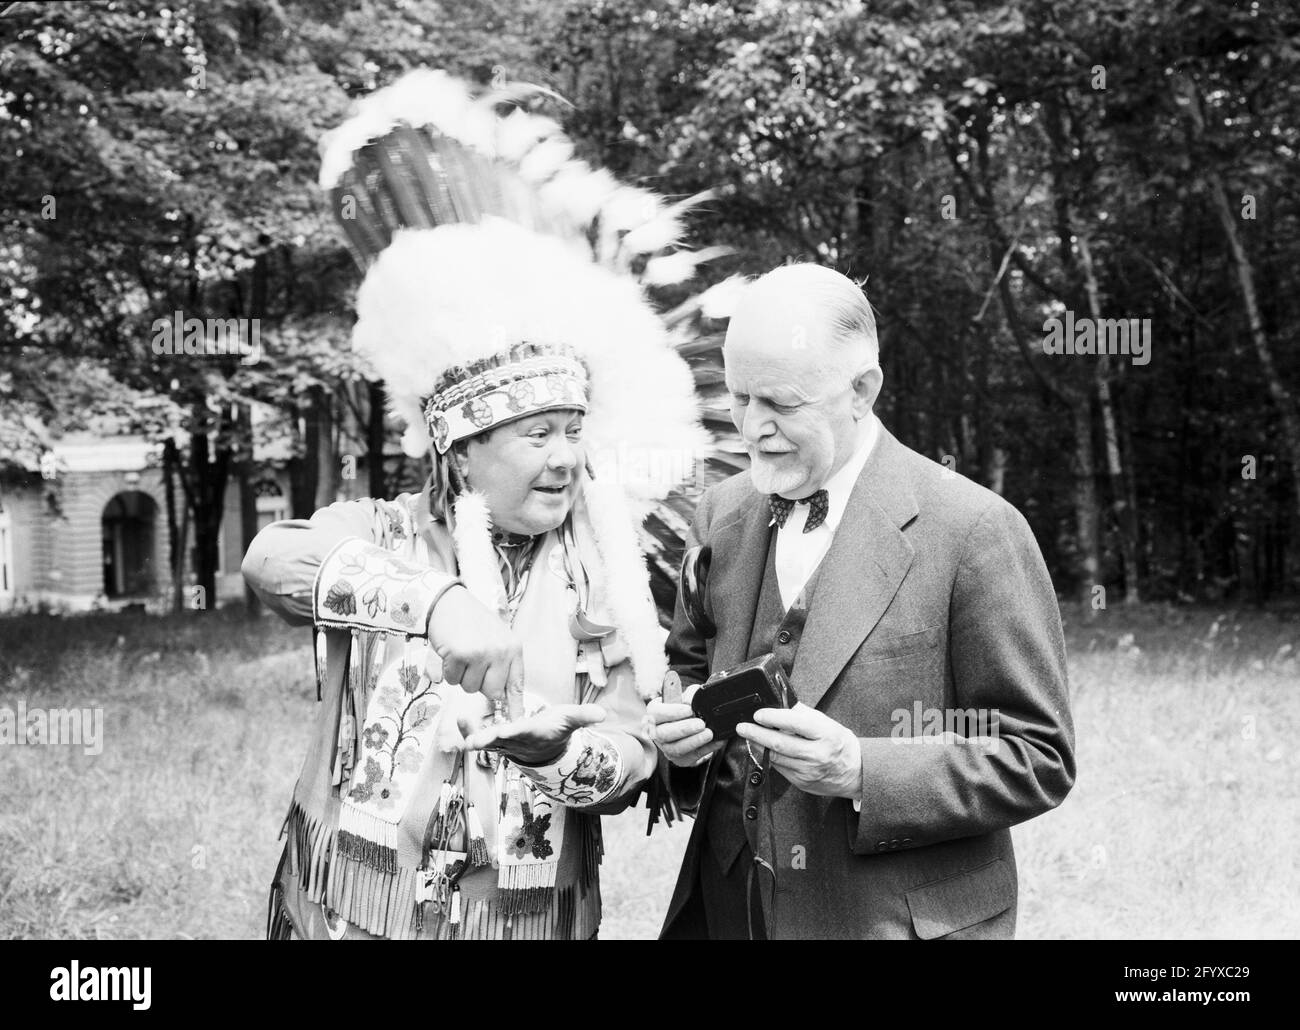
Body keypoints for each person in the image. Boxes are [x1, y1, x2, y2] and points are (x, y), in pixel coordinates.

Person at [242, 70, 705, 940]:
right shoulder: (377, 533)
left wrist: (562, 754)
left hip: (522, 918)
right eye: (537, 435)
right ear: (461, 452)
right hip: (353, 909)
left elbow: (637, 751)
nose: (567, 456)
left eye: (575, 429)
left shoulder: (608, 589)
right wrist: (439, 601)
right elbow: (269, 562)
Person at [650, 263, 1076, 940]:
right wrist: (680, 736)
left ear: (862, 390)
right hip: (729, 911)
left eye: (782, 404)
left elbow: (1037, 757)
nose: (752, 429)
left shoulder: (975, 533)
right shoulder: (720, 515)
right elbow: (688, 669)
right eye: (738, 399)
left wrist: (861, 770)